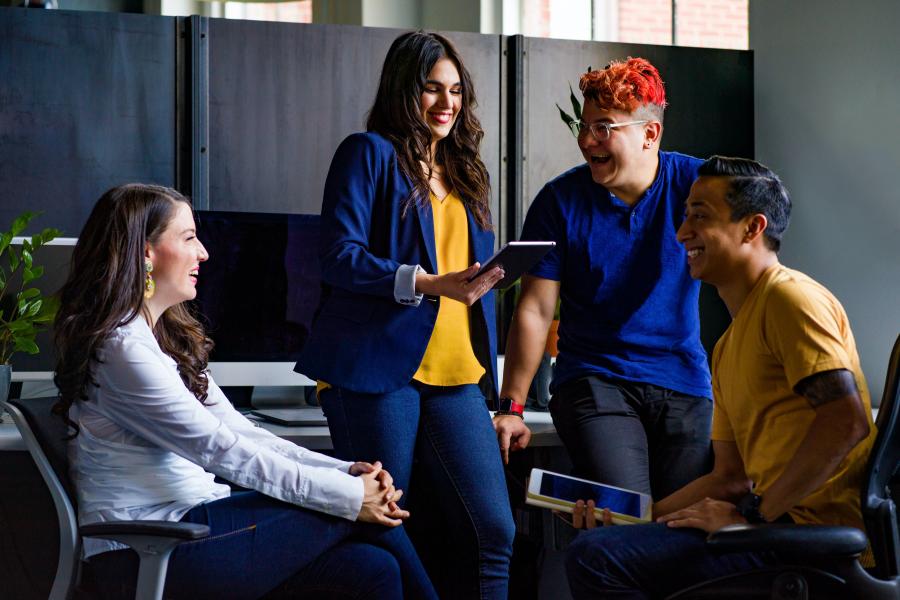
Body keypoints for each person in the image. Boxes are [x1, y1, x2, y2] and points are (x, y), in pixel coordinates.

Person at [53, 184, 437, 600]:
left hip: (198, 527)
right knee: (360, 514)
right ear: (145, 252)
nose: (204, 252)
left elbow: (243, 433)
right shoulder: (122, 349)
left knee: (372, 569)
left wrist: (342, 473)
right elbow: (219, 450)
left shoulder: (161, 340)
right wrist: (350, 496)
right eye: (188, 238)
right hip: (146, 551)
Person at [564, 156, 876, 598]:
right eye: (685, 215)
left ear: (752, 228)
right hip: (772, 528)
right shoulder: (728, 346)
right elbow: (730, 477)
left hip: (811, 541)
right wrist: (633, 517)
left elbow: (845, 421)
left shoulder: (791, 299)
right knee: (600, 544)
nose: (681, 233)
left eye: (700, 216)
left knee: (597, 560)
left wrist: (755, 516)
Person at [295, 31, 515, 599]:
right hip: (375, 369)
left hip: (457, 371)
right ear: (403, 90)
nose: (447, 103)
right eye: (431, 90)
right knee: (384, 523)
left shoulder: (466, 172)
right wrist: (426, 281)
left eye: (456, 92)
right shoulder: (368, 153)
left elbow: (462, 274)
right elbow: (338, 256)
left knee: (494, 529)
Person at [495, 57, 712, 500]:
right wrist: (511, 408)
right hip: (595, 381)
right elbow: (535, 310)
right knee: (629, 514)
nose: (586, 139)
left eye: (604, 127)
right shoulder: (560, 201)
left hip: (684, 381)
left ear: (650, 134)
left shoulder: (698, 185)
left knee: (682, 528)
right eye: (585, 125)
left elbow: (756, 237)